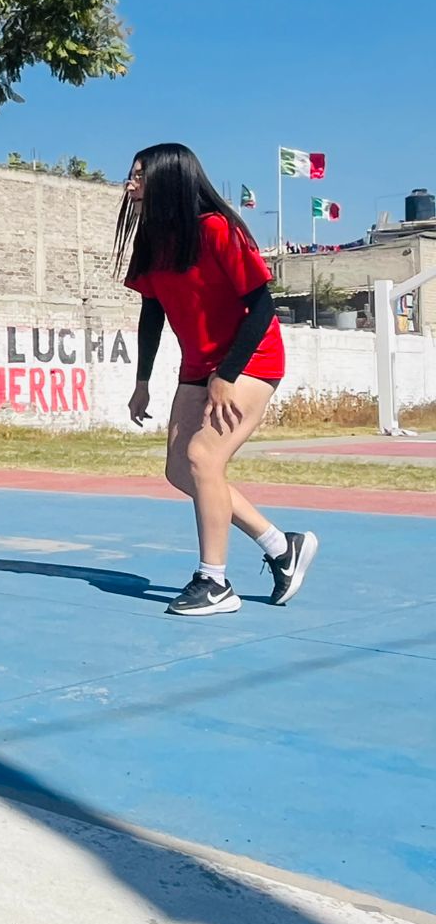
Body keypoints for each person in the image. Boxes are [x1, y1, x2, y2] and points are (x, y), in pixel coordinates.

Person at [117, 143, 317, 616]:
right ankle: (280, 546)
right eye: (131, 175)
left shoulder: (217, 229)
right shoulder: (151, 241)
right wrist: (142, 381)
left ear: (168, 179)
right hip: (198, 366)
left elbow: (262, 306)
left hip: (251, 359)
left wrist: (226, 375)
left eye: (140, 176)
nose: (130, 184)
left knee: (203, 456)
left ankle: (214, 581)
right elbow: (152, 312)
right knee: (179, 469)